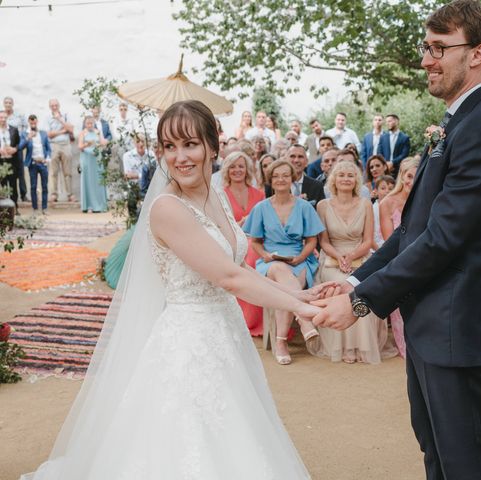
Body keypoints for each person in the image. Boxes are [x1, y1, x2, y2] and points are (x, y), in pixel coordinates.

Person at [21, 100, 319, 479]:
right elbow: (228, 278)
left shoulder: (216, 195)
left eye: (191, 144)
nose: (180, 157)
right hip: (189, 341)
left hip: (225, 332)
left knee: (236, 429)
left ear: (214, 146)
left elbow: (240, 265)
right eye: (169, 146)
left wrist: (299, 297)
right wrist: (304, 310)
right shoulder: (167, 209)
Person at [311, 2, 481, 478]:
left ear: (477, 53)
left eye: (438, 47)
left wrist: (363, 301)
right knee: (436, 453)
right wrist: (354, 283)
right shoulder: (458, 123)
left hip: (456, 322)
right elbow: (413, 230)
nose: (426, 59)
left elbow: (444, 238)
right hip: (431, 322)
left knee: (463, 461)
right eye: (425, 47)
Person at [311, 161, 397, 364]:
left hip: (360, 256)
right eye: (341, 175)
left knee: (360, 285)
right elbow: (323, 241)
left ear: (356, 180)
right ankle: (345, 348)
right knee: (337, 283)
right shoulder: (323, 205)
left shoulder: (365, 204)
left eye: (350, 175)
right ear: (334, 179)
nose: (346, 179)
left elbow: (368, 241)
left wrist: (351, 256)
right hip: (332, 257)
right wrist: (339, 257)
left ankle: (363, 347)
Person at [243, 159, 326, 364]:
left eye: (285, 175)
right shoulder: (261, 207)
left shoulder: (304, 206)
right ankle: (304, 319)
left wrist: (300, 257)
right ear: (270, 179)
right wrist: (263, 255)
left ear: (292, 178)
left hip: (300, 259)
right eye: (276, 175)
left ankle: (281, 342)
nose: (281, 179)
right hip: (270, 262)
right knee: (279, 269)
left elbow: (311, 241)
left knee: (284, 287)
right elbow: (255, 242)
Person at [377, 157, 419, 357]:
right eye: (409, 176)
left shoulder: (425, 200)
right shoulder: (388, 202)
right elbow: (388, 242)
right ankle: (406, 349)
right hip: (398, 260)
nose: (412, 181)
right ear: (402, 176)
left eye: (416, 176)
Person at [222, 151, 266, 336]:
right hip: (230, 240)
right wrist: (237, 225)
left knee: (254, 257)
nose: (237, 170)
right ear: (227, 170)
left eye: (241, 166)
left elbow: (266, 223)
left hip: (256, 240)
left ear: (247, 169)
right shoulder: (220, 194)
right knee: (246, 258)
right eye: (232, 166)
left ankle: (256, 321)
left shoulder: (260, 194)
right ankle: (243, 320)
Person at [46, 98, 76, 203]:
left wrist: (60, 119)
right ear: (50, 107)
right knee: (53, 172)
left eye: (56, 105)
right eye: (52, 105)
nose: (54, 107)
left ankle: (70, 194)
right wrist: (63, 130)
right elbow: (49, 134)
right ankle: (54, 194)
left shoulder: (65, 116)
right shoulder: (48, 118)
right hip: (53, 145)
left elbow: (71, 129)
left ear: (59, 105)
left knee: (67, 171)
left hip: (66, 145)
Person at [21, 115, 52, 214]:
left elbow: (48, 148)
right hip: (33, 163)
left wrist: (47, 158)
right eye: (31, 123)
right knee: (33, 186)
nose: (33, 124)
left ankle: (44, 208)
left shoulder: (43, 133)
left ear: (37, 122)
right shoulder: (25, 134)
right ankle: (35, 208)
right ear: (29, 122)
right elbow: (20, 147)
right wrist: (28, 138)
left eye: (34, 122)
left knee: (44, 186)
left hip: (43, 163)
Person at [77, 116, 108, 213]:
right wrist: (87, 144)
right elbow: (80, 147)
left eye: (91, 123)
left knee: (98, 181)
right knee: (88, 181)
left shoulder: (97, 132)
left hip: (97, 159)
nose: (90, 125)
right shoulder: (83, 133)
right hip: (87, 159)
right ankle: (89, 205)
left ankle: (100, 205)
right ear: (85, 124)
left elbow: (103, 143)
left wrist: (102, 143)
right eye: (88, 123)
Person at [4, 96, 28, 201]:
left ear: (12, 104)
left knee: (20, 171)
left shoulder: (19, 116)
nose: (8, 104)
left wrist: (20, 146)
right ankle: (5, 195)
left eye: (10, 102)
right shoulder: (2, 116)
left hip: (16, 148)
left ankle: (23, 194)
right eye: (6, 103)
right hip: (4, 150)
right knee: (5, 172)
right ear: (4, 104)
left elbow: (24, 132)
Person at [0, 110, 21, 211]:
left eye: (4, 117)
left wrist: (14, 149)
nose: (3, 120)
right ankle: (4, 210)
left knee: (13, 185)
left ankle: (15, 208)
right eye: (1, 117)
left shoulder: (14, 129)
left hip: (12, 161)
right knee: (2, 185)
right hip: (1, 161)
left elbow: (18, 143)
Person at [372, 175, 395, 250]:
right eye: (383, 188)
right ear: (376, 191)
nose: (387, 191)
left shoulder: (396, 209)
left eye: (391, 189)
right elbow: (371, 236)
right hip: (377, 248)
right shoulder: (372, 209)